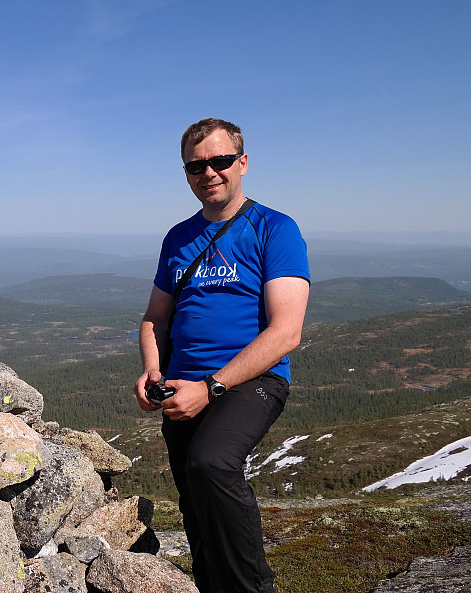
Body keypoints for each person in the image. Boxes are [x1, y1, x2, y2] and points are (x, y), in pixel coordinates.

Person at [134, 118, 310, 593]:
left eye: (220, 161)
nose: (208, 172)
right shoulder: (178, 237)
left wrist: (210, 388)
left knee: (212, 464)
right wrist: (152, 368)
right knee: (195, 501)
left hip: (249, 382)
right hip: (180, 388)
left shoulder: (275, 229)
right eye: (196, 166)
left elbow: (286, 332)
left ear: (243, 163)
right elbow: (156, 318)